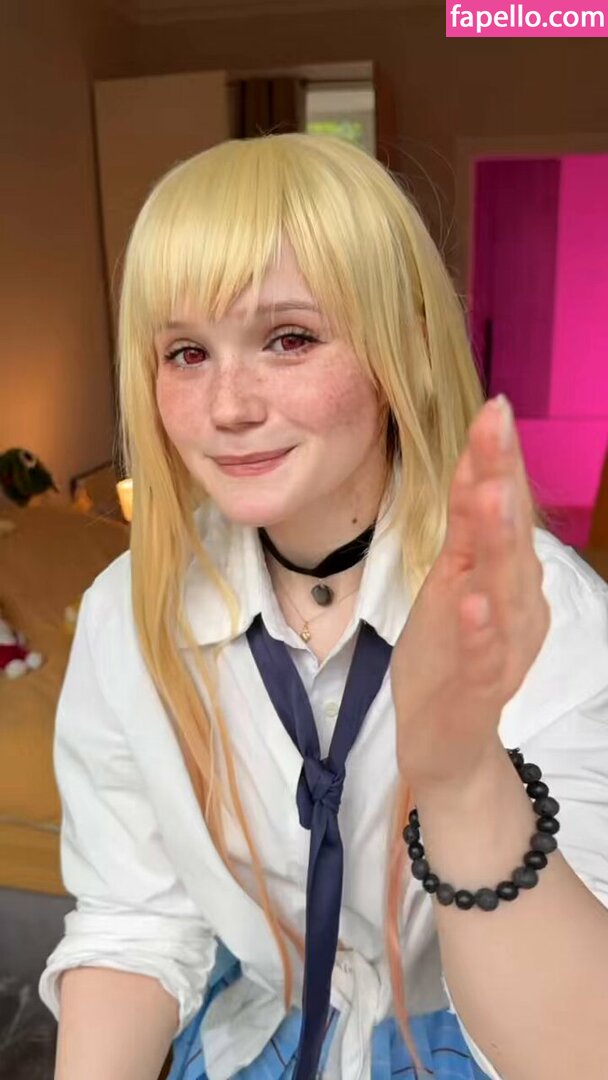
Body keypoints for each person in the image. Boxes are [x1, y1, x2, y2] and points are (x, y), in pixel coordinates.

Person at [39, 134, 608, 1080]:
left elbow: (582, 1049)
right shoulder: (123, 616)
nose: (227, 406)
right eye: (186, 352)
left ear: (405, 351)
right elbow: (134, 926)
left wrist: (462, 776)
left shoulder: (550, 616)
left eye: (289, 339)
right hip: (254, 1035)